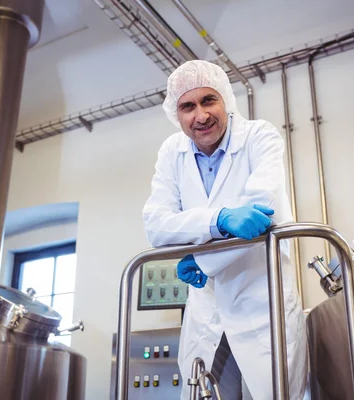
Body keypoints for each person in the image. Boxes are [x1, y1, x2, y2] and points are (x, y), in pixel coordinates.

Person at [143, 60, 306, 399]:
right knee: (204, 391)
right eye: (188, 106)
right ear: (177, 114)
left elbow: (261, 219)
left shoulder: (259, 137)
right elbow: (156, 224)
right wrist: (218, 220)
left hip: (262, 305)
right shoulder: (173, 152)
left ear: (226, 101)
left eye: (208, 101)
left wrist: (203, 260)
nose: (200, 115)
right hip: (206, 310)